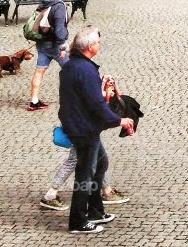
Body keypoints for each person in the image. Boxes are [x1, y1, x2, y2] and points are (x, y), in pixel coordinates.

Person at [58, 27, 135, 234]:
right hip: (84, 129)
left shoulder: (72, 66)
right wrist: (120, 120)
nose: (99, 45)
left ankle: (95, 210)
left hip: (78, 125)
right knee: (84, 176)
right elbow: (96, 105)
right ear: (90, 47)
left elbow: (84, 97)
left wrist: (101, 89)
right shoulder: (85, 69)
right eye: (98, 43)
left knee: (101, 164)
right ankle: (78, 221)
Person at [41, 73, 130, 211]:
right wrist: (106, 95)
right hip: (82, 130)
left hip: (85, 129)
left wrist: (107, 89)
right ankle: (50, 195)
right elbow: (95, 105)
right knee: (74, 160)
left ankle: (106, 190)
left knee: (100, 160)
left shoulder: (77, 75)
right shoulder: (81, 75)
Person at [27, 0, 70, 112]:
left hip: (42, 44)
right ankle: (77, 98)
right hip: (56, 45)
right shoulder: (59, 7)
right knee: (71, 69)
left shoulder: (44, 3)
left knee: (39, 71)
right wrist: (62, 47)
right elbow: (59, 31)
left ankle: (34, 101)